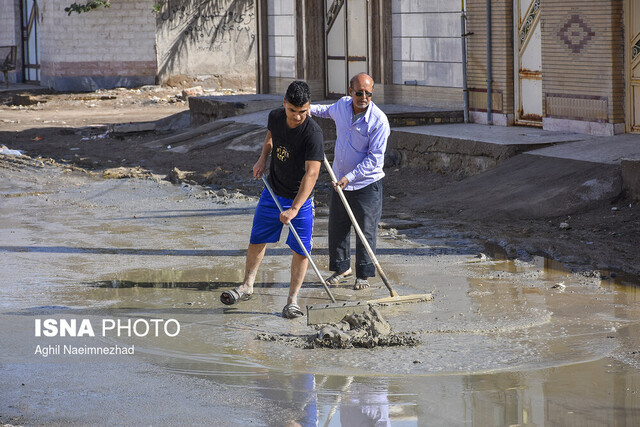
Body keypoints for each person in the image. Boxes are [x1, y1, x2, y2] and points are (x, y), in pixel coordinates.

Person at [220, 80, 324, 319]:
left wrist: (295, 208)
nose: (298, 117)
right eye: (293, 111)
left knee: (301, 250)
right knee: (257, 239)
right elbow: (270, 138)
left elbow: (312, 174)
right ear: (284, 104)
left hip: (301, 200)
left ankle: (292, 300)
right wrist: (261, 160)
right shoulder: (276, 117)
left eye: (303, 112)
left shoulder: (313, 134)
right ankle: (247, 286)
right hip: (272, 191)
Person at [310, 73, 390, 290]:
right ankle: (342, 268)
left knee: (365, 230)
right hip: (339, 181)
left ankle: (363, 275)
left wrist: (350, 177)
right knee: (338, 227)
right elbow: (325, 111)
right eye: (359, 92)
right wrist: (305, 109)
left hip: (366, 184)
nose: (363, 97)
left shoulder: (379, 121)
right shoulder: (343, 106)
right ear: (350, 91)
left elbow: (375, 158)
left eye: (368, 93)